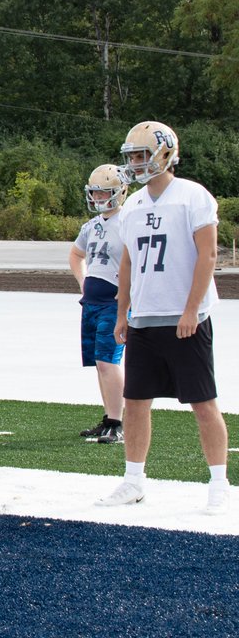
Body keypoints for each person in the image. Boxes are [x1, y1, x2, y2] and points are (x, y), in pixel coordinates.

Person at [97, 121, 230, 515]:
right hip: (145, 318)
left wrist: (191, 309)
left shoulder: (193, 196)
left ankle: (219, 482)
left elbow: (208, 255)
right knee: (135, 401)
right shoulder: (134, 204)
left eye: (142, 155)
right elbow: (127, 263)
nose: (136, 163)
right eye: (132, 157)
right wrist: (123, 312)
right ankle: (134, 480)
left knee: (204, 402)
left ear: (165, 154)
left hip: (185, 317)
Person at [69, 164, 128, 445]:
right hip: (92, 301)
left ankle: (117, 423)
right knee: (99, 363)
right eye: (96, 192)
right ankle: (109, 417)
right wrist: (83, 281)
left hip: (113, 302)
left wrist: (128, 293)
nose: (99, 197)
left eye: (105, 191)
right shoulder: (91, 225)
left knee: (108, 360)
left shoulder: (128, 221)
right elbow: (76, 254)